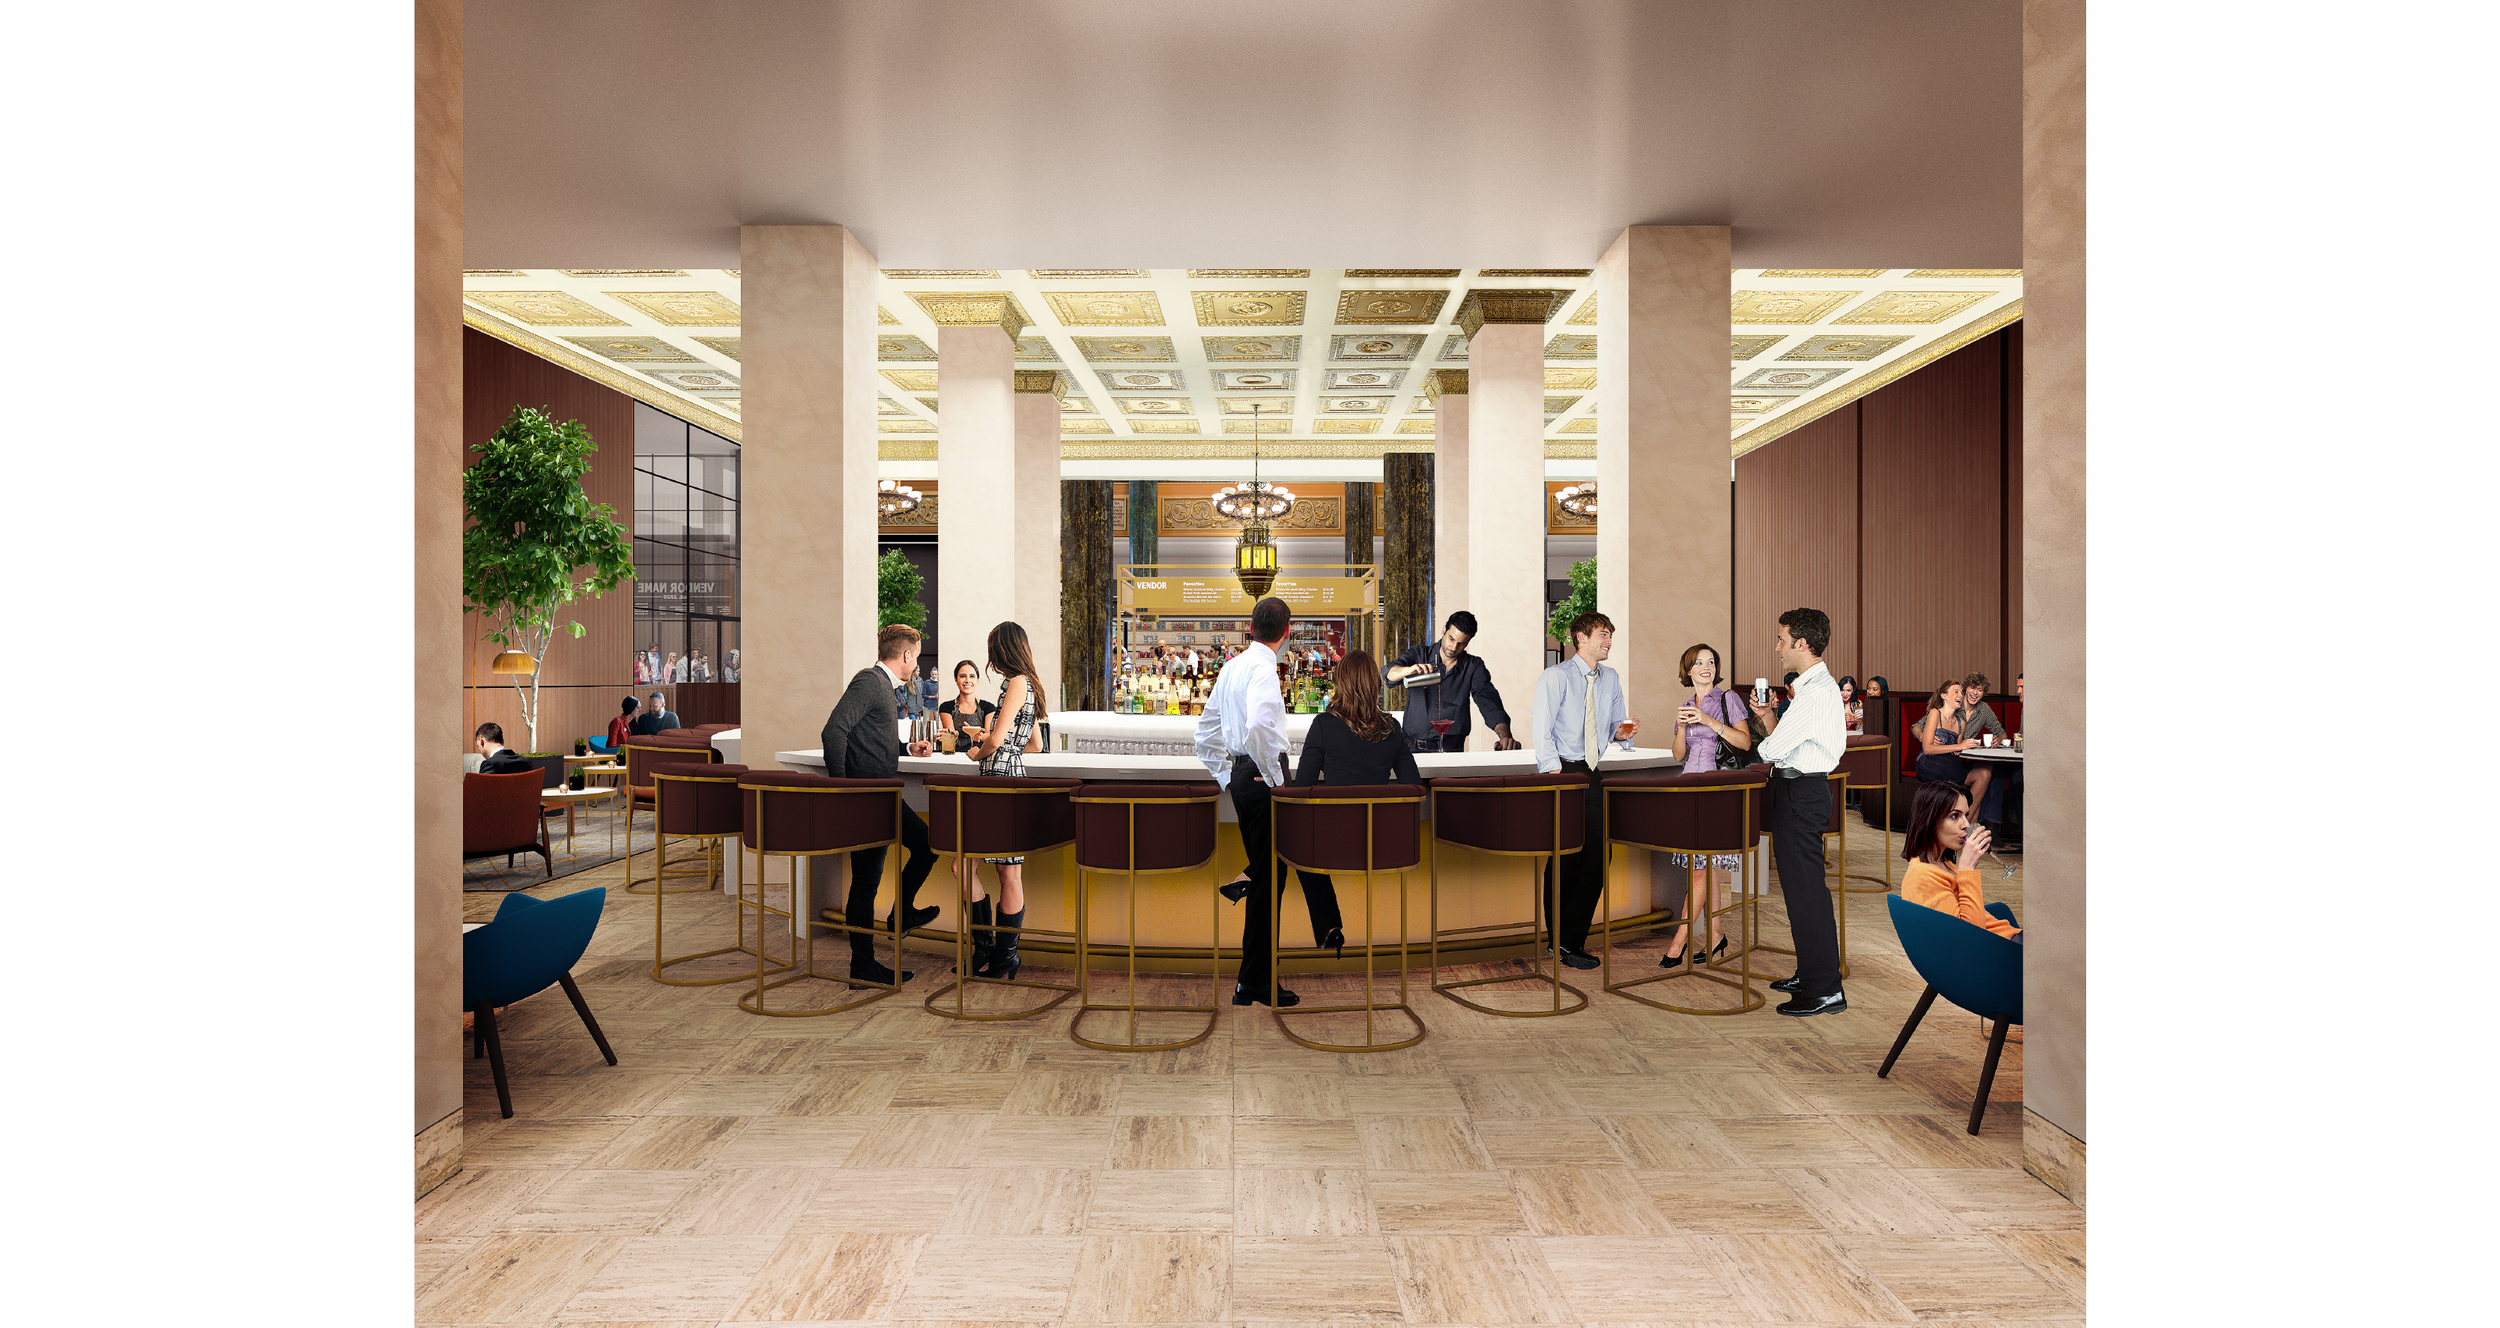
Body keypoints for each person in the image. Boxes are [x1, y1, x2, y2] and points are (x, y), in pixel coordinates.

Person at [1193, 596, 1304, 1007]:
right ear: (1286, 632)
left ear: (1250, 628)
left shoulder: (1232, 666)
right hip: (1264, 777)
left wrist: (1229, 777)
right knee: (1272, 879)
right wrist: (1275, 780)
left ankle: (1250, 981)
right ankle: (1255, 981)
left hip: (1244, 776)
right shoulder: (1262, 668)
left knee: (1267, 873)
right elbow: (1260, 725)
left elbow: (1204, 736)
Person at [818, 624, 941, 985]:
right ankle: (863, 967)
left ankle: (901, 916)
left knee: (926, 845)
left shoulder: (883, 687)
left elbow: (864, 738)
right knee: (867, 881)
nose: (916, 665)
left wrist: (906, 749)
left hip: (883, 794)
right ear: (905, 656)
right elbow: (834, 731)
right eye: (916, 658)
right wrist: (844, 792)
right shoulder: (870, 681)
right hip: (868, 798)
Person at [1276, 651, 1415, 960]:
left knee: (1288, 839)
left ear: (1341, 684)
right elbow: (1414, 787)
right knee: (1295, 840)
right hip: (1383, 845)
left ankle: (1328, 925)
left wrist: (1282, 778)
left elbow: (1302, 792)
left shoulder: (1324, 725)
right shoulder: (1392, 728)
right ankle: (1328, 926)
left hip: (1331, 848)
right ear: (1375, 685)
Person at [1747, 607, 1849, 1016]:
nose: (1777, 647)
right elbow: (1785, 742)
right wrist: (1769, 717)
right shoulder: (1810, 690)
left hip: (1801, 793)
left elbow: (1770, 750)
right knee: (1800, 892)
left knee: (1808, 893)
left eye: (1781, 639)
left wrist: (1770, 733)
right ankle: (1811, 972)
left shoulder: (1817, 691)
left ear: (1801, 644)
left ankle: (1825, 988)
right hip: (1796, 789)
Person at [1531, 611, 1639, 971]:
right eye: (1602, 634)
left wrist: (1623, 734)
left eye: (1610, 634)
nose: (1608, 641)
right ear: (1580, 638)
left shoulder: (1611, 678)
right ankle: (1558, 942)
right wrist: (1555, 774)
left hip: (1593, 771)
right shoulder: (1556, 677)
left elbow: (1613, 727)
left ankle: (1569, 940)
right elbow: (1541, 731)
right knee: (1565, 858)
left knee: (1597, 857)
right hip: (1562, 770)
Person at [956, 622, 1050, 981]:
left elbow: (995, 742)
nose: (990, 654)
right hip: (1009, 774)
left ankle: (997, 954)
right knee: (998, 870)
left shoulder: (1016, 683)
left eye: (993, 647)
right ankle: (994, 954)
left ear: (1003, 648)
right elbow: (1035, 745)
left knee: (984, 868)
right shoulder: (1030, 684)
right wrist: (997, 740)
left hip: (1000, 776)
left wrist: (978, 750)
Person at [1663, 643, 1749, 968]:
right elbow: (1677, 755)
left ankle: (1679, 942)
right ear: (1688, 670)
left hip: (1717, 792)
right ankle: (1715, 937)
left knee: (1699, 868)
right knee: (1706, 865)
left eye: (1710, 662)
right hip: (1689, 790)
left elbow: (1744, 742)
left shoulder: (1728, 699)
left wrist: (1708, 720)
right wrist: (1683, 725)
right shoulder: (1685, 705)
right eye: (1699, 663)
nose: (1706, 667)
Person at [1383, 610, 1521, 752]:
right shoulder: (1419, 654)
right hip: (1413, 749)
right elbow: (1389, 674)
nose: (1454, 647)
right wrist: (1408, 670)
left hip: (1452, 749)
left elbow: (1490, 704)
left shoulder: (1473, 666)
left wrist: (1505, 736)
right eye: (1451, 639)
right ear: (1444, 630)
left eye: (1461, 643)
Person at [1899, 780, 2020, 941]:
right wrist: (1967, 870)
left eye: (1966, 815)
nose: (1966, 825)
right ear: (1930, 819)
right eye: (1955, 816)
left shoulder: (1942, 862)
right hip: (2004, 951)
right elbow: (1970, 937)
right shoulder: (1922, 876)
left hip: (2011, 939)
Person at [1914, 679, 1993, 813]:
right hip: (1928, 763)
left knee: (1985, 772)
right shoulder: (1935, 713)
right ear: (1944, 695)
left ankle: (1966, 820)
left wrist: (1965, 747)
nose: (1961, 695)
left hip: (1949, 765)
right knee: (1960, 775)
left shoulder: (1961, 723)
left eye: (1961, 692)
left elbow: (1956, 754)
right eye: (1956, 692)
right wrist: (1959, 746)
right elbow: (1927, 749)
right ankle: (1963, 823)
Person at [937, 659, 997, 739]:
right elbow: (950, 737)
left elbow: (989, 736)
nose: (967, 680)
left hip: (980, 751)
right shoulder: (946, 707)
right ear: (956, 680)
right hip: (955, 751)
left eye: (972, 676)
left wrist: (978, 737)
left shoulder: (989, 708)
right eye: (962, 676)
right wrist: (957, 735)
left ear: (977, 680)